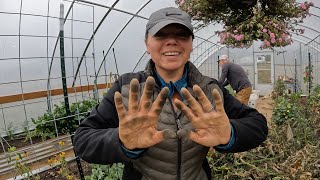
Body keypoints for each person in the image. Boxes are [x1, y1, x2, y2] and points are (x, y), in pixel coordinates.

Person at [73, 7, 268, 180]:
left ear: (191, 44)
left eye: (182, 35)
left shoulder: (210, 89)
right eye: (161, 35)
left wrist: (230, 134)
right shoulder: (128, 88)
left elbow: (257, 124)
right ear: (147, 44)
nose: (172, 41)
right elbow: (83, 139)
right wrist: (121, 141)